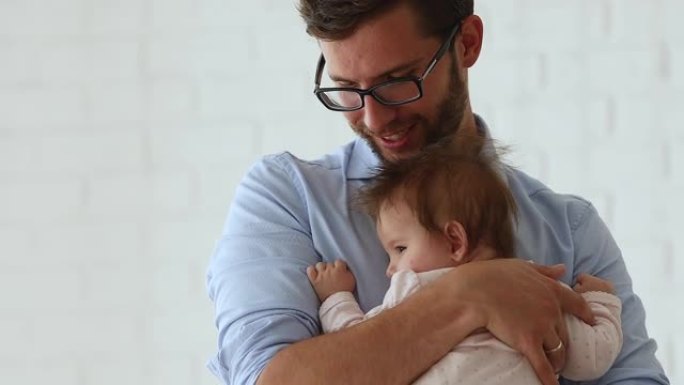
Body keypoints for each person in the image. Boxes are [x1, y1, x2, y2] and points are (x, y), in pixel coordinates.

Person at [206, 1, 670, 384]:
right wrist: (469, 294)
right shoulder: (289, 199)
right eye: (347, 89)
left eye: (396, 82)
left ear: (467, 43)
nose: (372, 119)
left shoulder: (570, 231)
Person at [306, 136, 623, 384]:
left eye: (400, 249)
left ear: (455, 241)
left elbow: (360, 345)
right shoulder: (538, 288)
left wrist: (336, 297)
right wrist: (599, 299)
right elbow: (591, 358)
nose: (390, 268)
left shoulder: (412, 289)